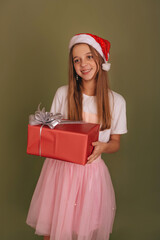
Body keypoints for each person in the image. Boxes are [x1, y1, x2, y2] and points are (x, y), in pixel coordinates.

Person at [26, 33, 127, 240]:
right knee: (54, 227)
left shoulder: (116, 101)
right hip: (60, 173)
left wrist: (102, 147)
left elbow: (115, 142)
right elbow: (51, 134)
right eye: (76, 60)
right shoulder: (63, 94)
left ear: (100, 60)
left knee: (85, 229)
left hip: (91, 175)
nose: (83, 64)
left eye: (89, 57)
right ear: (72, 66)